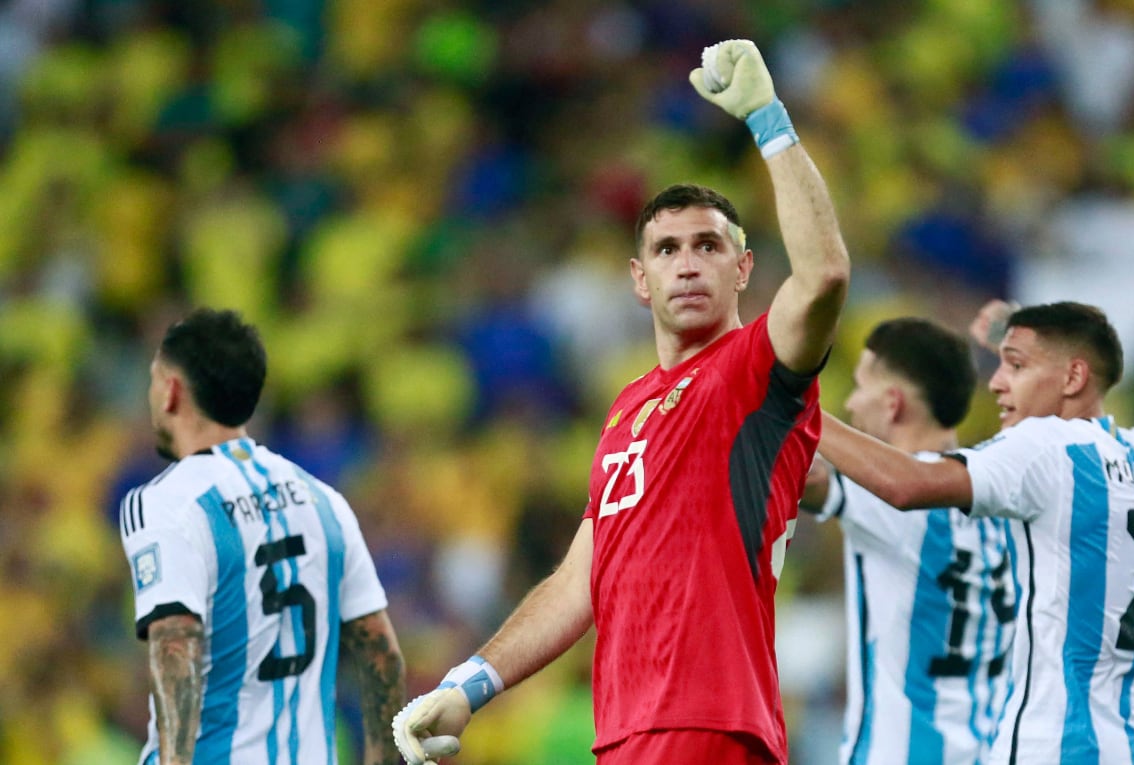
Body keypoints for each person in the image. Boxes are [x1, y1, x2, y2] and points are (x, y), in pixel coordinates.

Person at [393, 38, 850, 765]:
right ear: (640, 281)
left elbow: (824, 274)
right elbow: (581, 578)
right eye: (667, 250)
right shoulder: (625, 410)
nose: (689, 263)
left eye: (709, 245)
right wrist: (468, 683)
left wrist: (767, 118)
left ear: (744, 269)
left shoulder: (752, 370)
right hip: (627, 733)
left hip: (711, 721)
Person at [817, 301, 1134, 763]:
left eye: (1014, 366)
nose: (994, 383)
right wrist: (1034, 349)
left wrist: (793, 403)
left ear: (1073, 378)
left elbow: (907, 484)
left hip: (1057, 746)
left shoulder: (1041, 450)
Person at [118, 308, 406, 765]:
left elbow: (176, 639)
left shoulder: (164, 502)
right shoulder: (324, 500)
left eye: (154, 379)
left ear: (172, 390)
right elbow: (381, 652)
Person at [800, 317, 1014, 764]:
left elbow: (804, 477)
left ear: (893, 404)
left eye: (860, 386)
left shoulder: (889, 499)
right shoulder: (1006, 499)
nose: (852, 402)